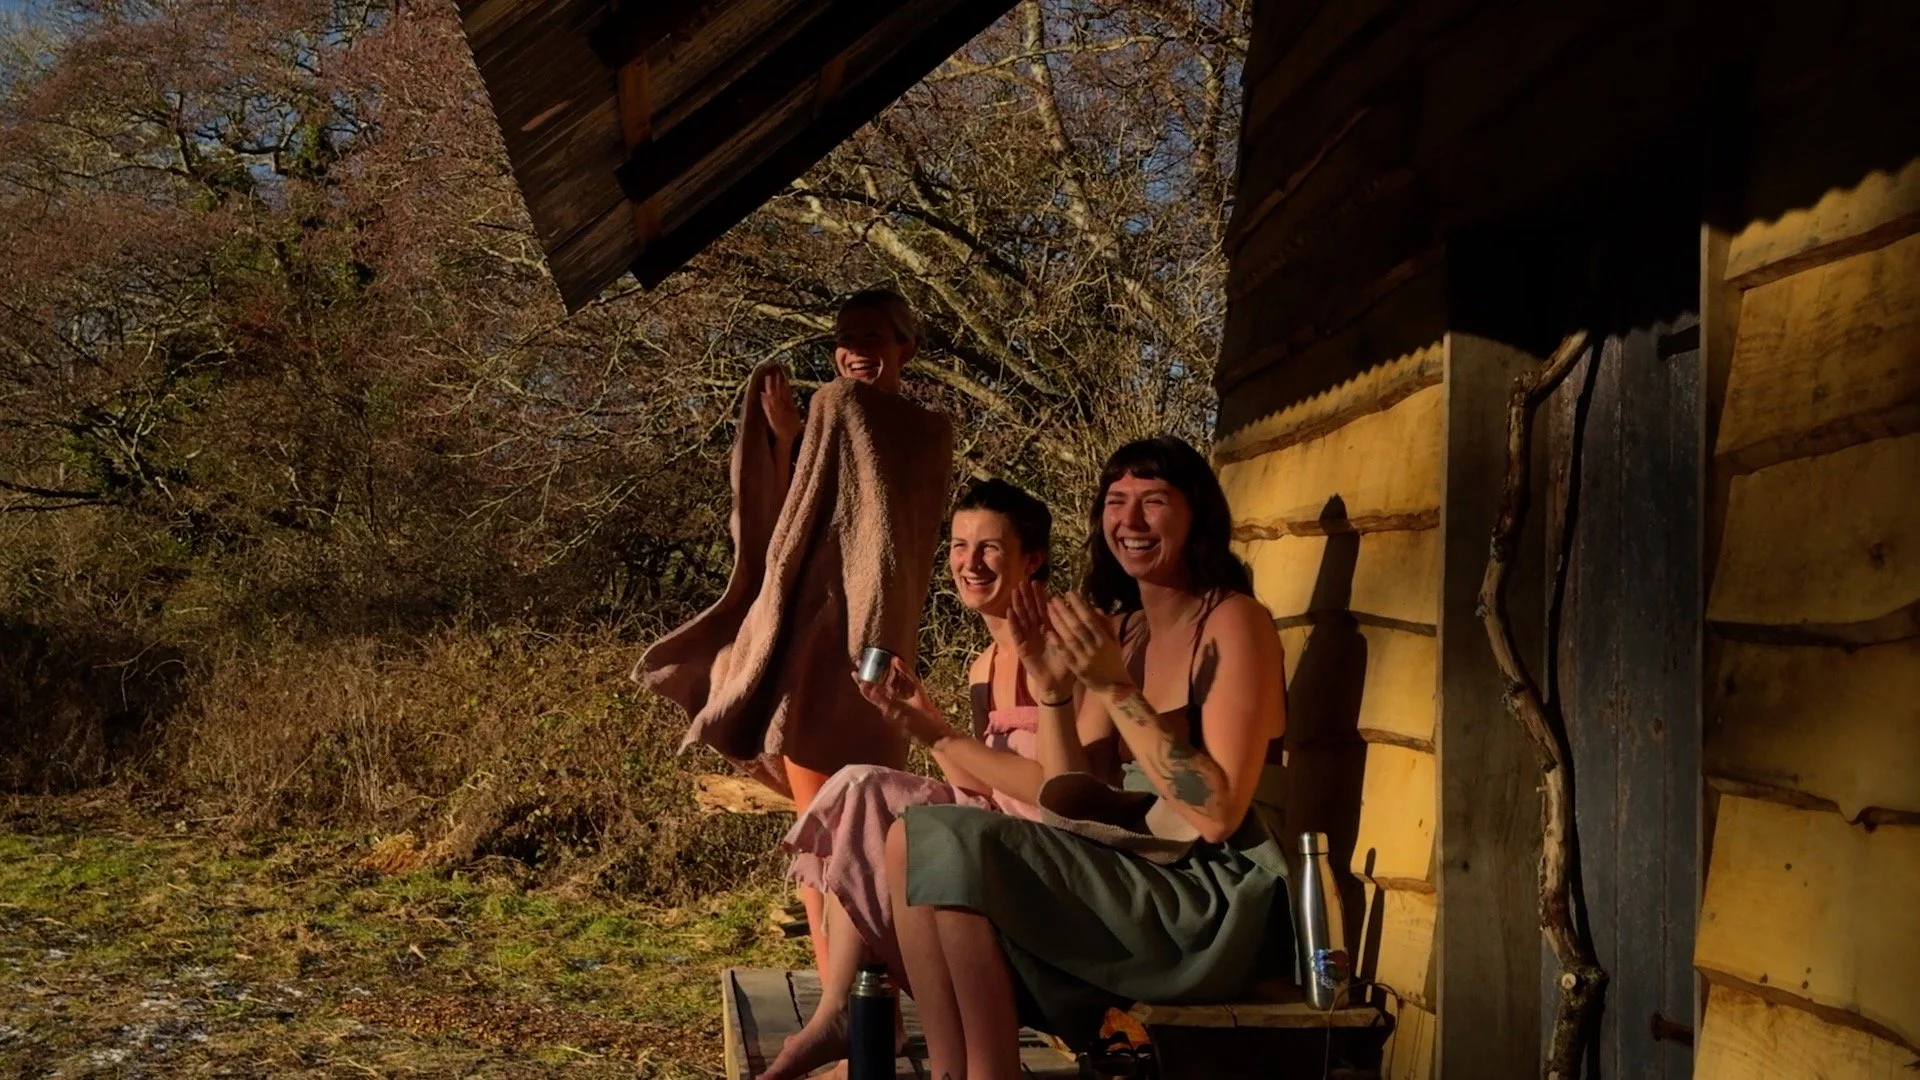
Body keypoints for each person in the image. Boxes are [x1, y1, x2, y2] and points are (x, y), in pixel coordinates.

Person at [887, 435, 1295, 1080]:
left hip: (1210, 900)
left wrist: (1113, 687)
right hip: (1132, 861)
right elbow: (1071, 788)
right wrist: (1051, 693)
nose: (1129, 521)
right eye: (1116, 501)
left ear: (1197, 517)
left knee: (944, 836)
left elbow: (1217, 814)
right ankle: (956, 1070)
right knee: (915, 837)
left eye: (1153, 502)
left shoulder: (1233, 622)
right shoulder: (1123, 629)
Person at [756, 479, 1127, 1080]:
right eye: (958, 546)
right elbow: (981, 790)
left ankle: (860, 1023)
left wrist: (937, 736)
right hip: (997, 832)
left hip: (1064, 851)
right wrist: (925, 721)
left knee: (885, 805)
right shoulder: (983, 665)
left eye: (988, 548)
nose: (969, 564)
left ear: (1031, 559)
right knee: (862, 791)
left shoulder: (1069, 643)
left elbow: (1062, 791)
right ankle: (842, 1009)